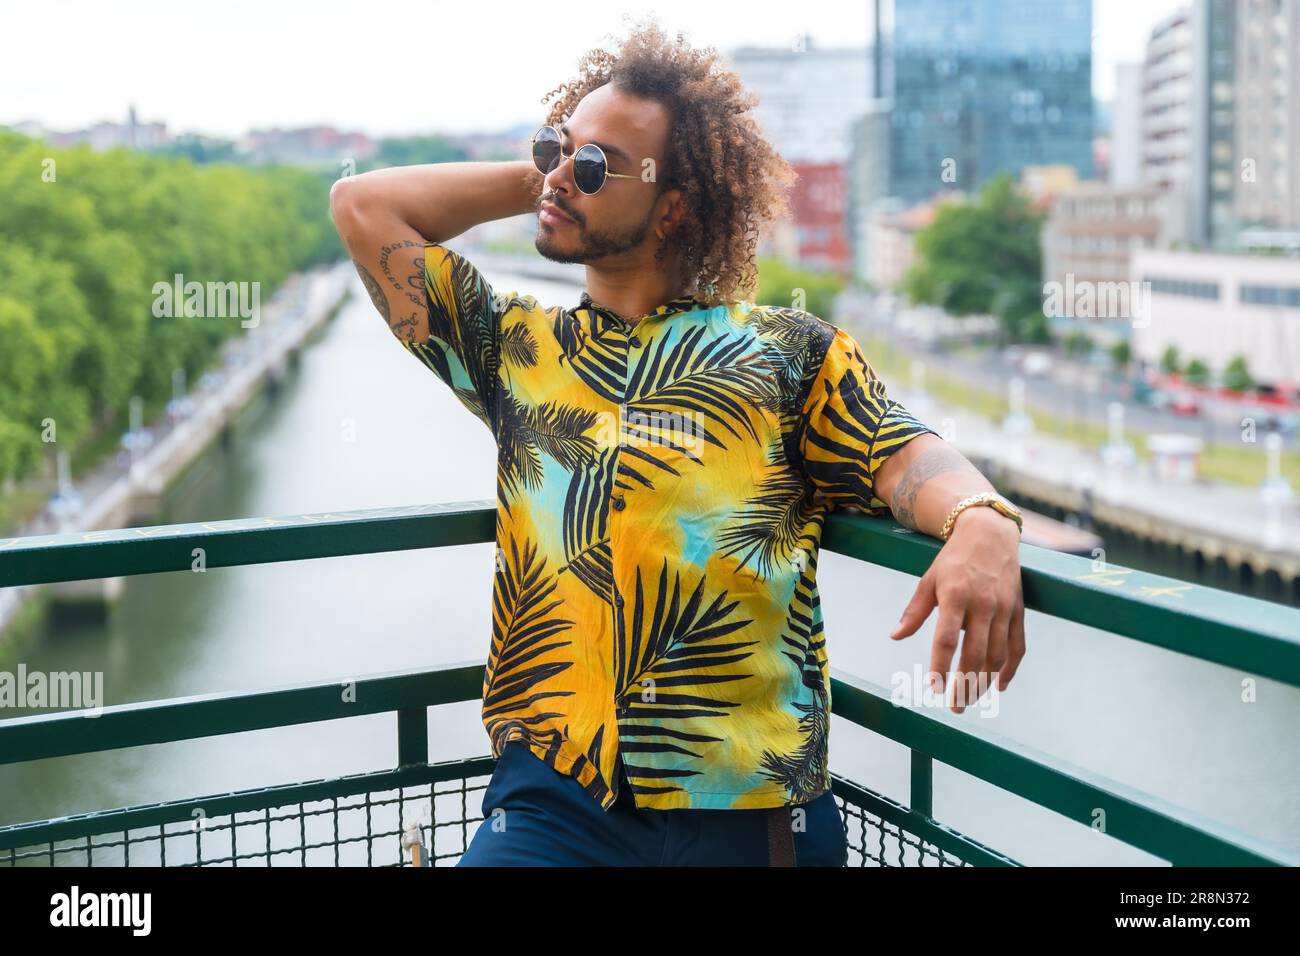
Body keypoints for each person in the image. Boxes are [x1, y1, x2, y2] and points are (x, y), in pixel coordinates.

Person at [330, 19, 1026, 867]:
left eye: (595, 166)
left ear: (677, 208)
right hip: (553, 802)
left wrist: (982, 521)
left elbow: (905, 453)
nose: (562, 173)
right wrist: (561, 174)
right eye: (558, 146)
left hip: (751, 813)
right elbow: (362, 206)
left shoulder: (788, 353)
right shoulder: (513, 349)